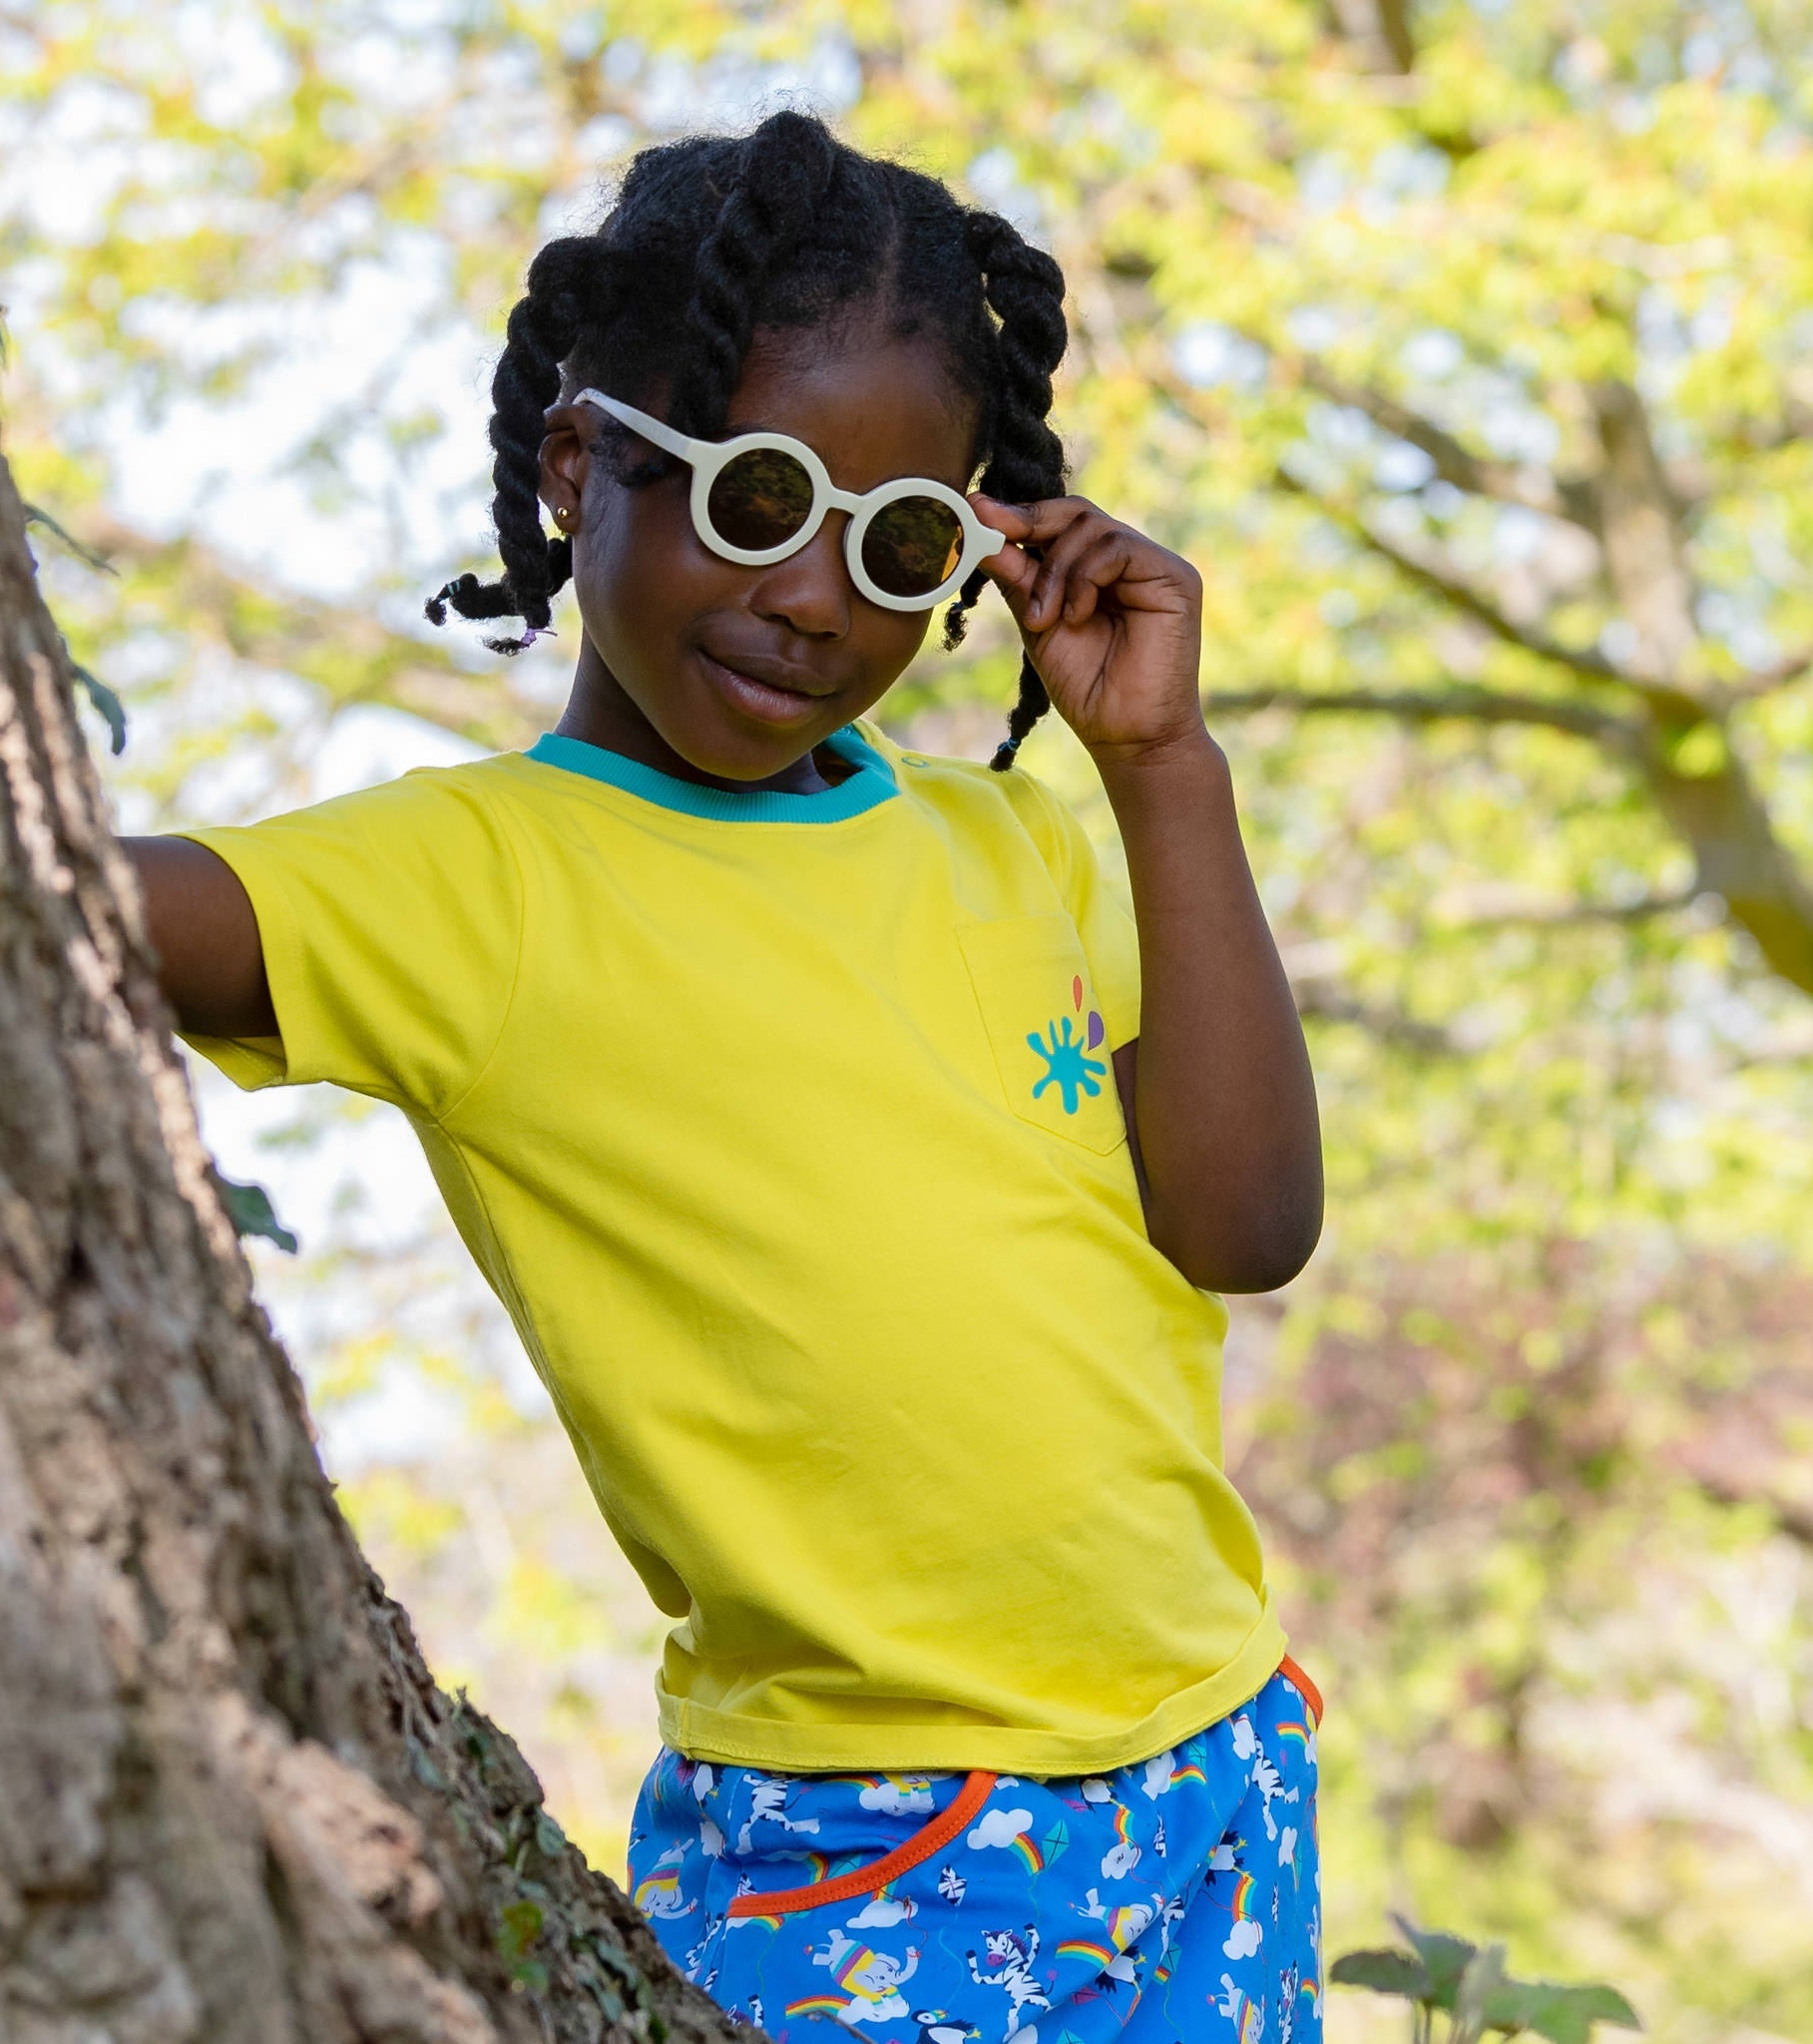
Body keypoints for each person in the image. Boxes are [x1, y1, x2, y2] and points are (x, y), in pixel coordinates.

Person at [124, 111, 1325, 2044]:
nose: (817, 595)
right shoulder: (470, 883)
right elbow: (43, 887)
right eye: (756, 500)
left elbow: (1244, 1223)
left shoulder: (1007, 840)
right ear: (577, 463)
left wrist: (1163, 769)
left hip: (1216, 1772)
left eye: (899, 540)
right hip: (874, 1837)